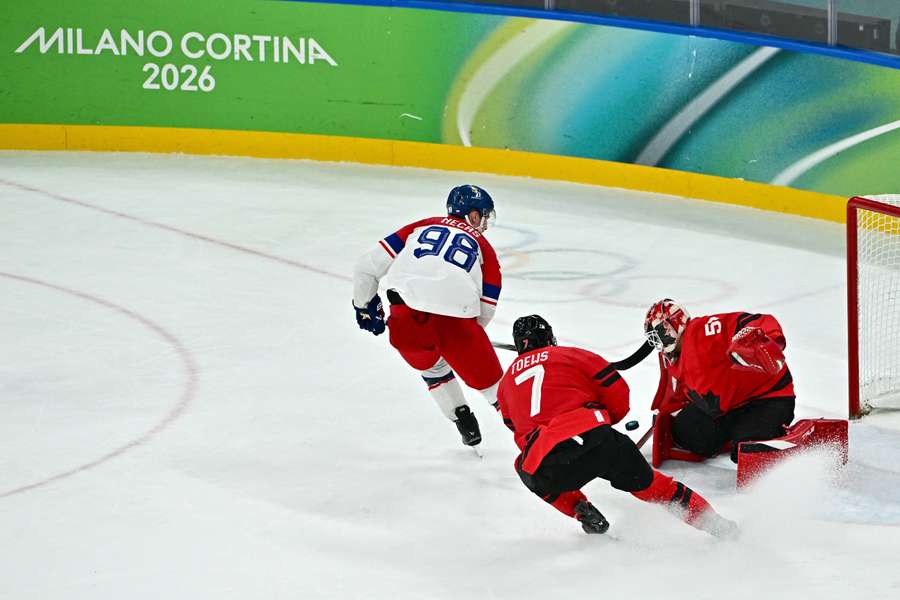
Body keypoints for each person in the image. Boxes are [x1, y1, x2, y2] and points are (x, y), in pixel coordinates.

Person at [496, 314, 737, 537]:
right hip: (595, 438)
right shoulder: (572, 355)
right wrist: (600, 420)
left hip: (547, 461)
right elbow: (619, 396)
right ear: (549, 337)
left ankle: (581, 510)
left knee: (525, 467)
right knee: (654, 486)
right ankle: (716, 525)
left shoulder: (505, 384)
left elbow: (516, 428)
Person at [352, 185, 503, 447]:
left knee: (433, 368)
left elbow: (366, 267)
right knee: (495, 391)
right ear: (474, 216)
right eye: (485, 217)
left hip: (405, 320)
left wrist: (363, 306)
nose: (486, 226)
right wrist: (466, 341)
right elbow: (487, 307)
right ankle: (532, 436)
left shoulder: (421, 225)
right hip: (456, 324)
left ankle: (462, 420)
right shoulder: (485, 248)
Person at [644, 299, 795, 462]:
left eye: (659, 333)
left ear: (673, 325)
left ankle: (787, 441)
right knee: (686, 430)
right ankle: (736, 435)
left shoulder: (703, 330)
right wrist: (666, 415)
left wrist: (762, 340)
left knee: (748, 452)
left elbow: (756, 321)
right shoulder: (674, 360)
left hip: (768, 398)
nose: (658, 342)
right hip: (728, 409)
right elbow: (675, 394)